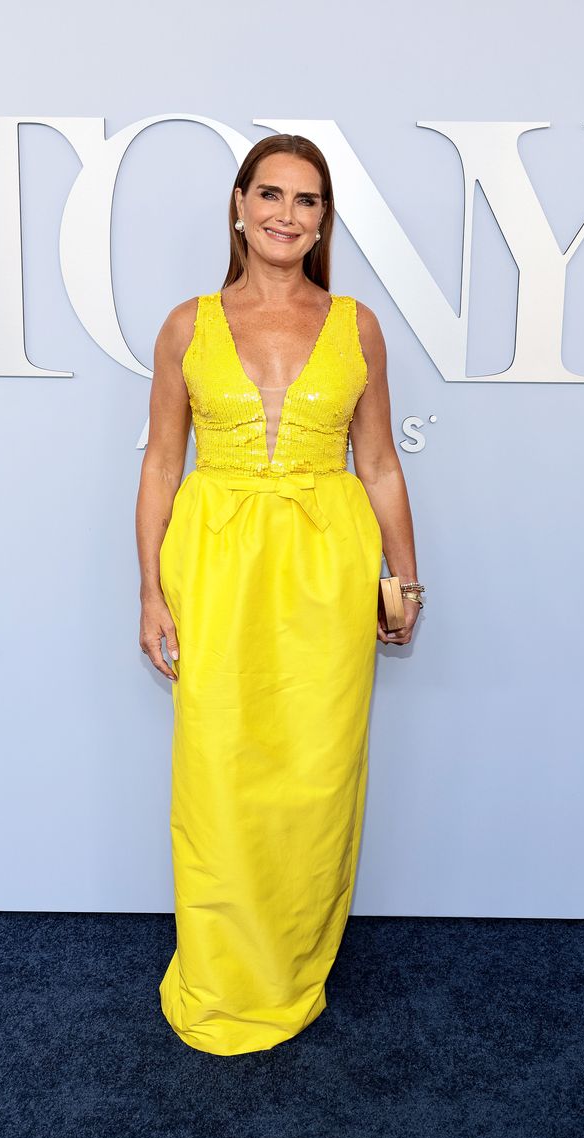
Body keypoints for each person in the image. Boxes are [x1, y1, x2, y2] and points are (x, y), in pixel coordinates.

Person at [136, 134, 423, 1057]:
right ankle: (224, 973)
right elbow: (160, 463)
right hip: (216, 566)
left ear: (324, 222)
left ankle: (294, 964)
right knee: (218, 773)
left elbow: (379, 463)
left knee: (315, 774)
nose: (286, 215)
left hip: (326, 569)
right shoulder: (186, 325)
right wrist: (150, 592)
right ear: (238, 204)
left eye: (307, 201)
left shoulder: (356, 325)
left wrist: (402, 578)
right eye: (271, 195)